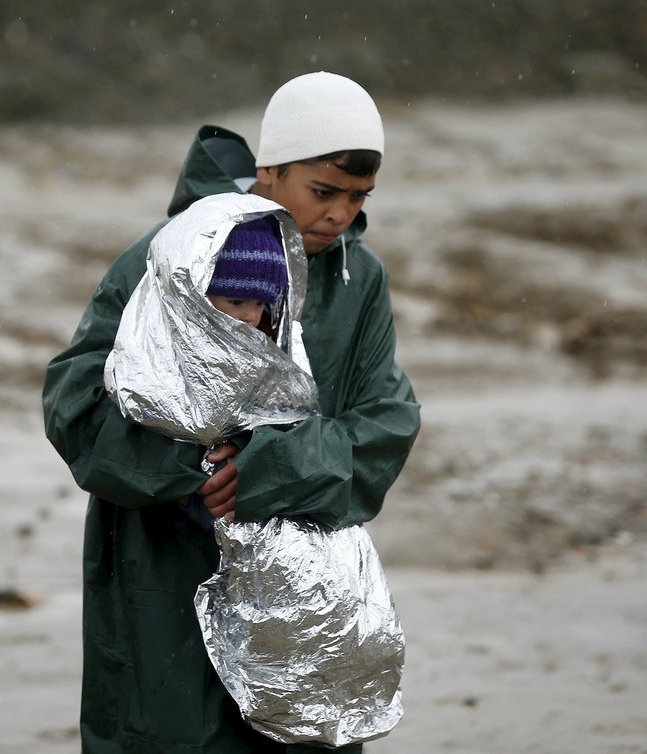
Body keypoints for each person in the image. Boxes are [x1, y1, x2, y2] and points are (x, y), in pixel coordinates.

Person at [42, 71, 421, 753]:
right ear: (268, 172)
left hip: (305, 590)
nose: (340, 214)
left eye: (360, 197)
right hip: (162, 580)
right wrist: (199, 465)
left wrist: (270, 469)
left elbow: (385, 426)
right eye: (324, 191)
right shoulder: (169, 257)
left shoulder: (357, 280)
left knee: (302, 735)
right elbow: (77, 405)